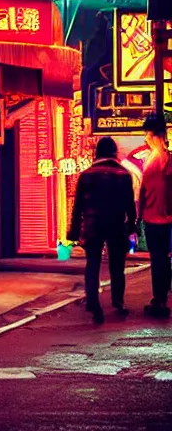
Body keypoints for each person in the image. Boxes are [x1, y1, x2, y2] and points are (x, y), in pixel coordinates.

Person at [68, 137, 137, 324]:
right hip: (116, 223)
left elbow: (78, 206)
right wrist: (132, 225)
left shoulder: (86, 175)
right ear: (113, 152)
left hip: (93, 224)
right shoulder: (123, 174)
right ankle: (118, 301)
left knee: (93, 263)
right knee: (117, 264)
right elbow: (129, 204)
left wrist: (73, 230)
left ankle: (93, 302)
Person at [139, 113, 172, 318]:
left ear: (155, 135)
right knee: (162, 260)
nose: (145, 139)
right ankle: (160, 297)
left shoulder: (158, 160)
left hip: (155, 218)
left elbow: (144, 191)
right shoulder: (164, 159)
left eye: (147, 134)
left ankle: (159, 299)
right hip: (163, 218)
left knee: (158, 260)